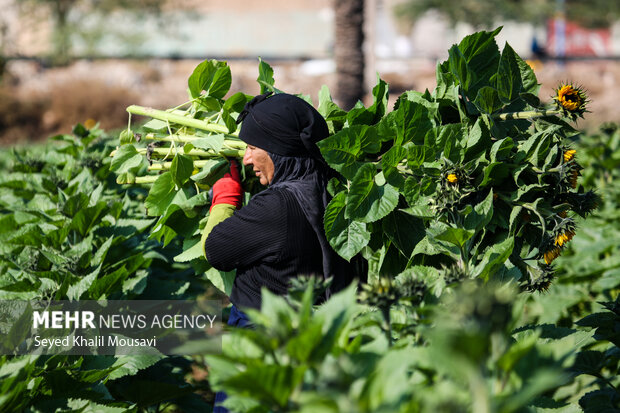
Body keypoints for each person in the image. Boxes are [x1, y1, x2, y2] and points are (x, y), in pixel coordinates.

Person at [202, 92, 365, 412]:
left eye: (251, 148)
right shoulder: (330, 191)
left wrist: (224, 199)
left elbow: (215, 250)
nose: (247, 159)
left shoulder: (276, 207)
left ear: (278, 151)